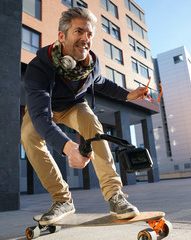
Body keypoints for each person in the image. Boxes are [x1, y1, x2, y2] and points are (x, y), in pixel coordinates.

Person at [21, 7, 148, 225]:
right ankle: (62, 200)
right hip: (45, 108)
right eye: (79, 32)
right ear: (62, 36)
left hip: (74, 106)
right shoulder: (39, 68)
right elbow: (42, 118)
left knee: (92, 124)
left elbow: (102, 84)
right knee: (29, 135)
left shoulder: (91, 64)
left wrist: (128, 94)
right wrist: (68, 146)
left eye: (89, 34)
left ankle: (115, 196)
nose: (85, 39)